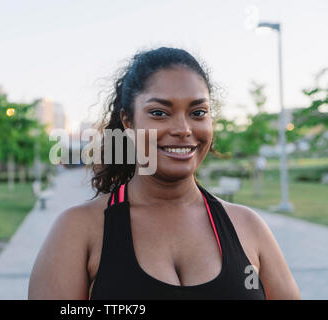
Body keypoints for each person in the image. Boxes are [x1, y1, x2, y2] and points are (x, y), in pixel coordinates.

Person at [28, 47, 300, 300]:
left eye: (198, 112)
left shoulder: (248, 226)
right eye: (159, 112)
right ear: (128, 122)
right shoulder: (78, 230)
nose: (183, 129)